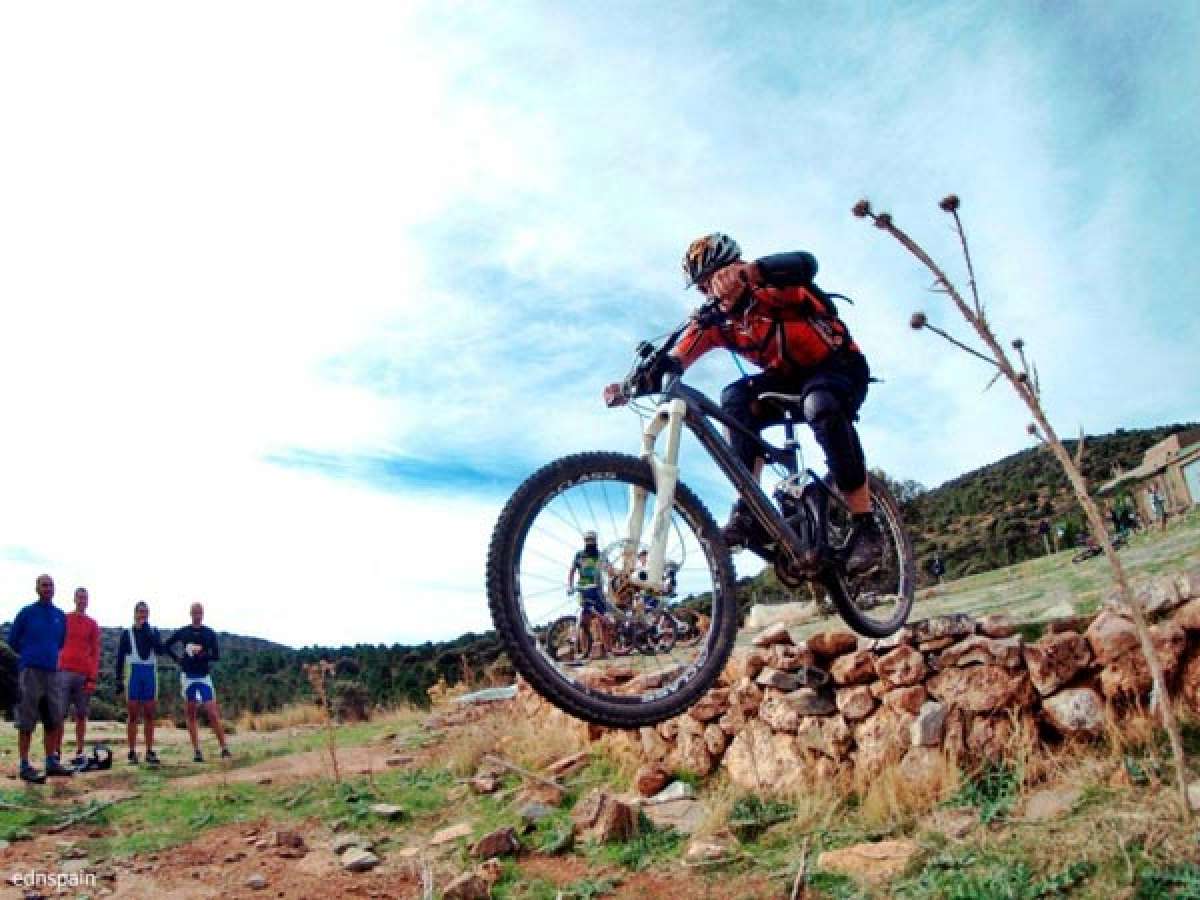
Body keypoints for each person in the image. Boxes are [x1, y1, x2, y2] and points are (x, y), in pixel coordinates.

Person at [607, 234, 883, 574]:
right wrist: (630, 386)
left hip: (837, 367)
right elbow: (676, 360)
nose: (713, 289)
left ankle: (866, 526)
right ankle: (750, 509)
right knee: (733, 398)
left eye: (717, 276)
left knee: (820, 405)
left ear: (736, 265)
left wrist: (752, 272)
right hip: (786, 380)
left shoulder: (775, 287)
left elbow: (806, 263)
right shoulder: (716, 322)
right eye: (703, 285)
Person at [9, 574, 73, 783]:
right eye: (44, 585)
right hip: (30, 672)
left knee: (53, 718)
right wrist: (29, 656)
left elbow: (60, 642)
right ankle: (25, 764)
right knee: (26, 720)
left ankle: (50, 761)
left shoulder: (59, 616)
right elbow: (12, 640)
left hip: (52, 671)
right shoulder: (27, 613)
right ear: (37, 588)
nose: (47, 589)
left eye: (50, 585)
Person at [165, 602, 231, 762]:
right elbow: (167, 645)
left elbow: (216, 655)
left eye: (199, 612)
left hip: (203, 676)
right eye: (194, 612)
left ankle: (224, 748)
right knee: (191, 713)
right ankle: (197, 751)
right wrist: (178, 659)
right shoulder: (184, 631)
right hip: (188, 677)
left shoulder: (209, 633)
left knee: (212, 713)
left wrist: (202, 654)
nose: (197, 615)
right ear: (190, 613)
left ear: (203, 613)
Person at [115, 601, 169, 766]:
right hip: (133, 675)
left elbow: (160, 650)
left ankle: (149, 751)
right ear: (135, 613)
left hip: (149, 674)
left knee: (150, 715)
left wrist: (149, 633)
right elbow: (119, 658)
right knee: (132, 715)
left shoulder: (153, 631)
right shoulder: (127, 633)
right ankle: (131, 752)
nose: (143, 614)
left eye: (146, 612)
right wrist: (118, 679)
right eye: (140, 612)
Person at [56, 587, 101, 767]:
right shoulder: (64, 619)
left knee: (81, 715)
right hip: (64, 671)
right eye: (80, 597)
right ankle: (56, 751)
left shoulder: (92, 624)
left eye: (85, 598)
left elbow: (96, 651)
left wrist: (92, 677)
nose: (82, 600)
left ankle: (80, 750)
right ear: (74, 599)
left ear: (88, 601)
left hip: (84, 674)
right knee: (60, 714)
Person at [566, 532, 611, 657]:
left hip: (598, 590)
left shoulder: (601, 555)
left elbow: (609, 570)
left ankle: (608, 650)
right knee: (584, 621)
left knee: (603, 620)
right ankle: (585, 651)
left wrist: (611, 576)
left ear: (596, 541)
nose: (589, 542)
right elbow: (572, 570)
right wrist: (569, 585)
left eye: (591, 540)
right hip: (584, 589)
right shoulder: (579, 555)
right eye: (587, 540)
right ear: (584, 541)